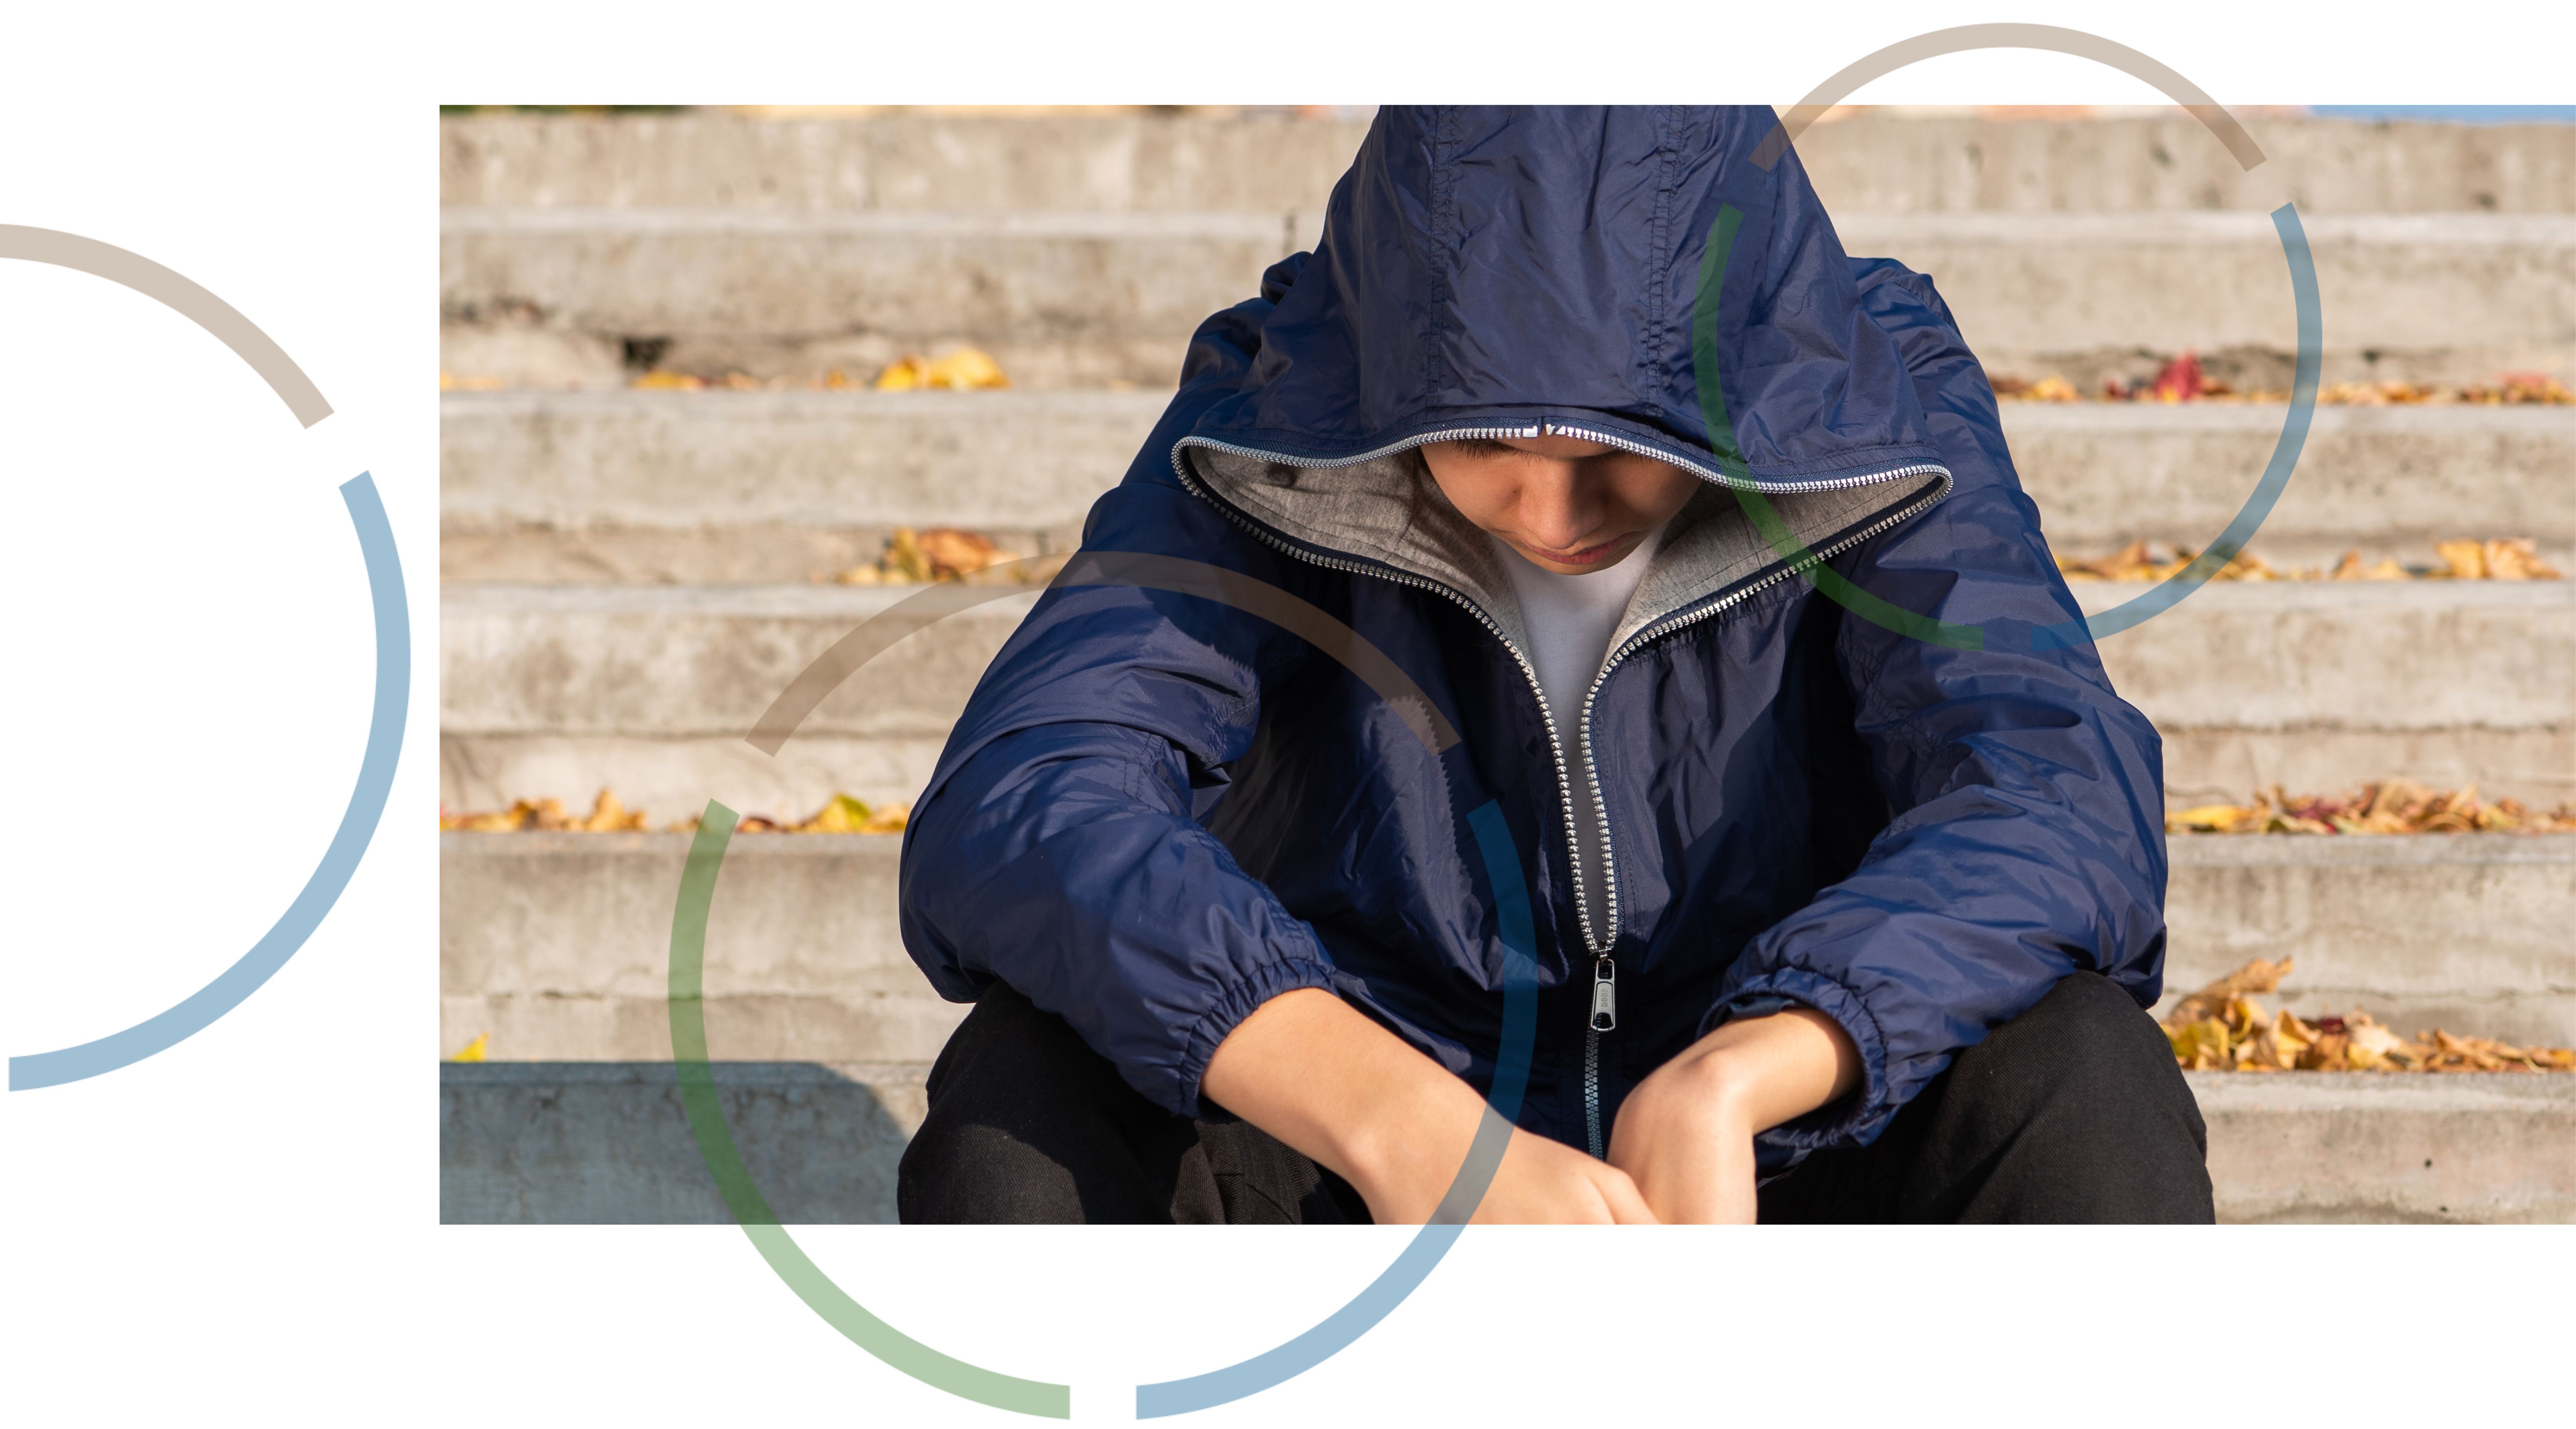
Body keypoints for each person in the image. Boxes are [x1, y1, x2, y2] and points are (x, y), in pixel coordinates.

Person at [891, 105, 2212, 1225]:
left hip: (1771, 1152)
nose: (1548, 513)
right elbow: (1028, 792)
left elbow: (2053, 791)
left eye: (1612, 452)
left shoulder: (1868, 393)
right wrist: (1400, 1119)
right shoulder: (1284, 397)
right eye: (1485, 448)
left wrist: (1758, 1064)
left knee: (2085, 1071)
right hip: (1365, 1136)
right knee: (1026, 1094)